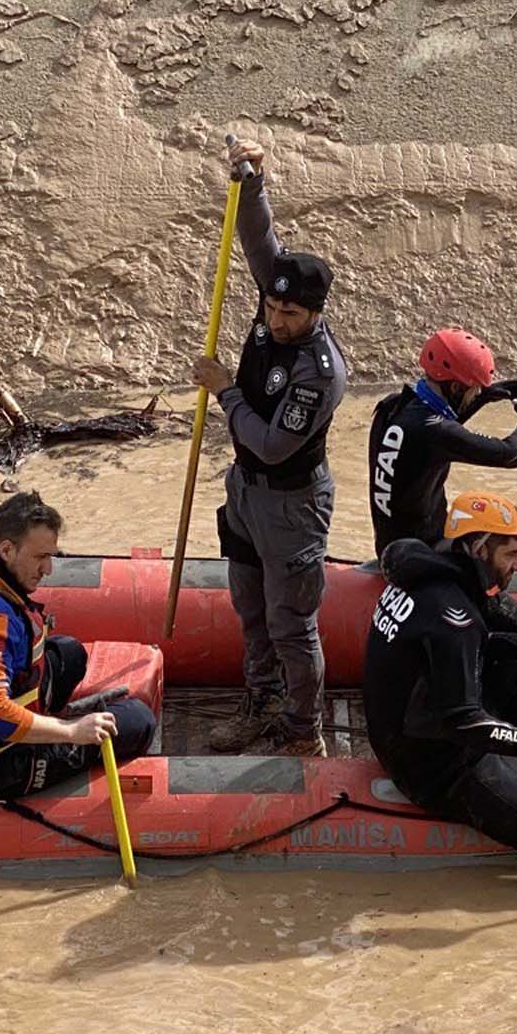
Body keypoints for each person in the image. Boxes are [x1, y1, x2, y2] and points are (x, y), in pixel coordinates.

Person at [364, 491, 517, 896]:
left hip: (406, 719)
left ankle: (506, 748)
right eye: (510, 554)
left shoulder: (420, 568)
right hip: (435, 767)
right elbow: (462, 722)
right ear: (478, 548)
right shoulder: (454, 622)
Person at [192, 137, 349, 757]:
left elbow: (274, 442)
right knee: (249, 610)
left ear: (313, 313)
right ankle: (259, 704)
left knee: (291, 625)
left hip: (291, 502)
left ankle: (302, 731)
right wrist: (251, 179)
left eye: (288, 314)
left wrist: (226, 390)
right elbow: (258, 242)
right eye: (270, 307)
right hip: (245, 492)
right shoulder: (269, 304)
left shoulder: (320, 371)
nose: (275, 321)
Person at [0, 491, 156, 800]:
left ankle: (42, 723)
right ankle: (43, 740)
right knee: (138, 720)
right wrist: (72, 731)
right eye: (40, 557)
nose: (47, 569)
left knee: (69, 653)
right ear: (6, 550)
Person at [368, 326, 517, 642]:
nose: (475, 396)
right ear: (453, 386)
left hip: (393, 548)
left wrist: (491, 394)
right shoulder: (432, 431)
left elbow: (446, 427)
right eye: (473, 391)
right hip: (422, 560)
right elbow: (514, 453)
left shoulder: (395, 408)